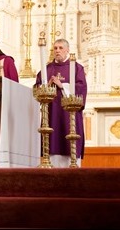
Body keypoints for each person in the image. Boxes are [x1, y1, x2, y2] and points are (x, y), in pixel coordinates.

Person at [35, 38, 88, 168]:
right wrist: (45, 86)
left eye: (60, 48)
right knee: (52, 140)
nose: (57, 51)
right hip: (51, 114)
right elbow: (37, 89)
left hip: (69, 115)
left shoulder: (76, 68)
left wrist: (62, 85)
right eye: (55, 48)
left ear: (67, 50)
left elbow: (81, 88)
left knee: (70, 141)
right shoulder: (46, 69)